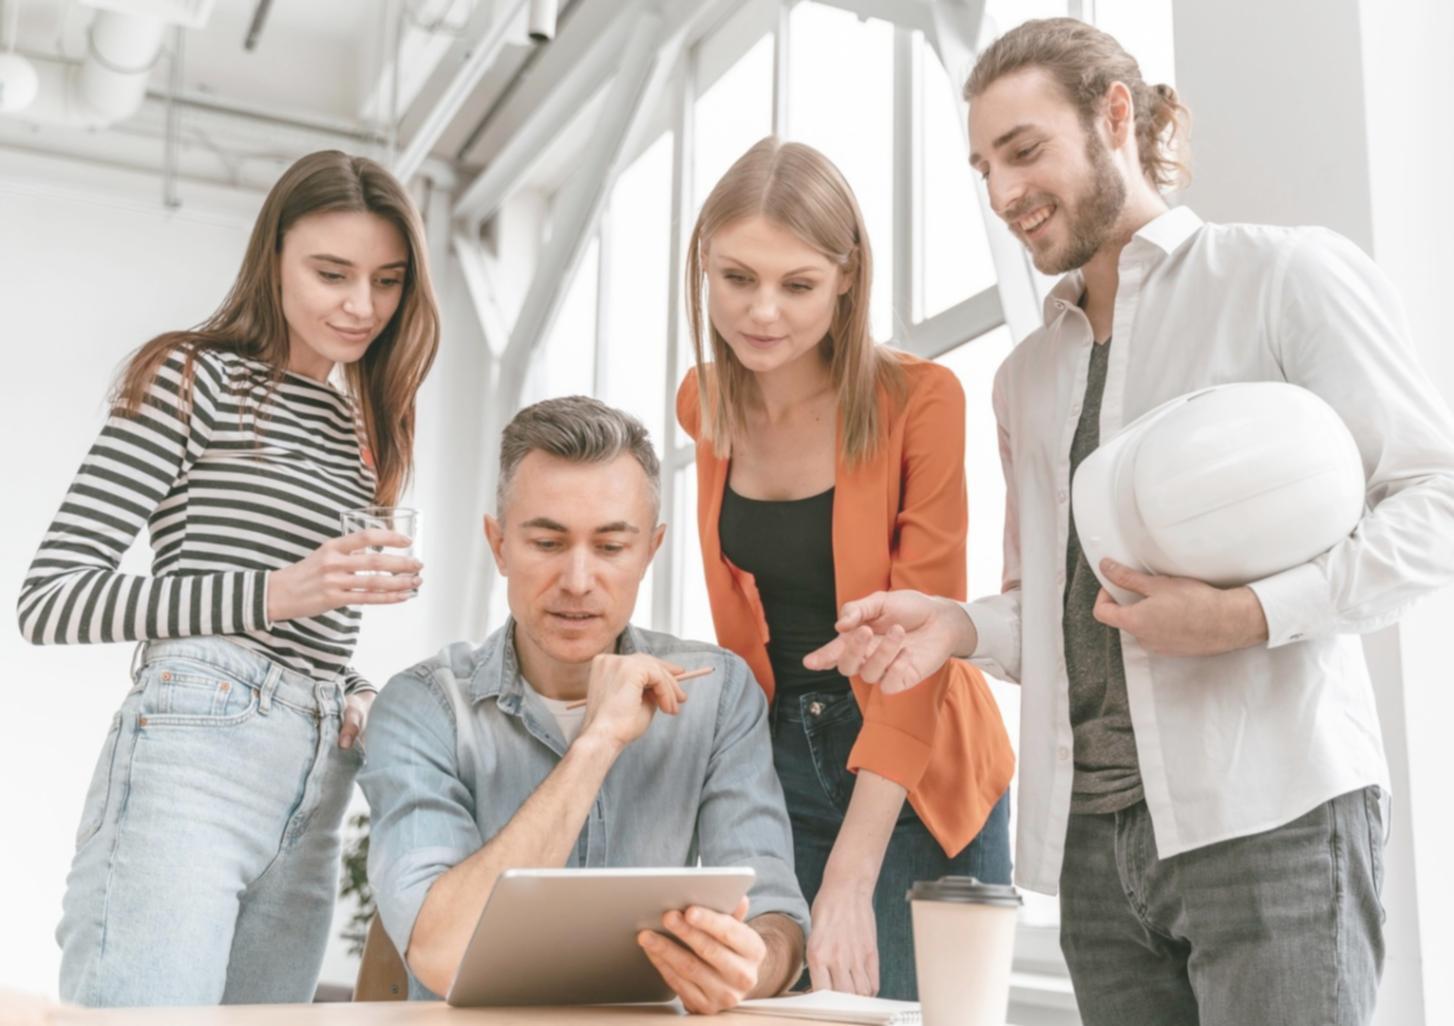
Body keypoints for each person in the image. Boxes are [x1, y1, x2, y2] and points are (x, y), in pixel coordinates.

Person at [804, 17, 1454, 1026]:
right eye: (983, 168)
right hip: (1093, 853)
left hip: (1269, 823)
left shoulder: (1281, 277)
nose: (1003, 194)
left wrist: (1248, 616)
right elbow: (1062, 609)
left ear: (1114, 115)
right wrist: (957, 626)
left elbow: (1436, 504)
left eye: (1023, 152)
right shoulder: (1024, 376)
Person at [17, 150, 440, 1006]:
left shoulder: (367, 433)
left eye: (388, 281)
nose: (363, 306)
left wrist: (351, 688)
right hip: (196, 753)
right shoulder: (191, 376)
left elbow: (309, 632)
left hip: (317, 774)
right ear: (273, 256)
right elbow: (51, 597)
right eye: (332, 273)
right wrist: (277, 590)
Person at [677, 137, 1015, 1001]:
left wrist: (852, 876)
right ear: (702, 268)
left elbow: (923, 641)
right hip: (778, 757)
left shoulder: (920, 401)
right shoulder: (703, 402)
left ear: (846, 278)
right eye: (737, 278)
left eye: (798, 285)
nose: (762, 313)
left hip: (917, 772)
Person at [358, 396, 809, 1014]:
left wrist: (749, 965)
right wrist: (598, 742)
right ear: (499, 545)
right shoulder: (423, 707)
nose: (576, 580)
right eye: (546, 542)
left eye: (611, 547)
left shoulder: (719, 693)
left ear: (650, 551)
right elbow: (444, 954)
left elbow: (776, 915)